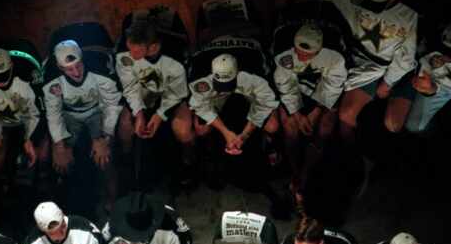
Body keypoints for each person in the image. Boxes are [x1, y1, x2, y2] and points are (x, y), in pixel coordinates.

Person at [287, 0, 417, 143]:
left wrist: (388, 82)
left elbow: (406, 58)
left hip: (375, 67)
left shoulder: (408, 16)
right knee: (322, 107)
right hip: (347, 56)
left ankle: (360, 152)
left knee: (347, 116)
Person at [273, 23, 348, 199]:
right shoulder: (283, 54)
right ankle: (295, 171)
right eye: (299, 52)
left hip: (322, 92)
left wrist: (316, 112)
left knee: (325, 127)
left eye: (308, 54)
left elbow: (333, 85)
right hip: (296, 91)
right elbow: (285, 85)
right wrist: (297, 114)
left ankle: (307, 172)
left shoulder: (335, 56)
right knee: (290, 126)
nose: (302, 56)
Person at [115, 17, 194, 184]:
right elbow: (129, 86)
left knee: (183, 130)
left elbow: (177, 93)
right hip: (143, 90)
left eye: (137, 52)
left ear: (153, 47)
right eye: (129, 48)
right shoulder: (124, 51)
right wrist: (139, 113)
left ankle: (188, 161)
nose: (132, 55)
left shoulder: (175, 59)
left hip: (171, 94)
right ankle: (127, 162)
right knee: (125, 125)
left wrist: (159, 115)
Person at [43, 40, 122, 175]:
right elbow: (53, 113)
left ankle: (110, 188)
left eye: (78, 65)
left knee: (105, 156)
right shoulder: (51, 80)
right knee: (61, 161)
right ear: (60, 68)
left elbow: (112, 104)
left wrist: (106, 138)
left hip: (97, 111)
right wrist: (60, 146)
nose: (76, 73)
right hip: (69, 115)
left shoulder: (100, 70)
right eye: (69, 69)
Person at [189, 52, 280, 161]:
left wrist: (244, 135)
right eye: (221, 84)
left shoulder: (255, 76)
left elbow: (265, 103)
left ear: (237, 72)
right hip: (214, 91)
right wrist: (225, 132)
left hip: (249, 85)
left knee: (272, 126)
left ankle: (269, 141)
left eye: (228, 84)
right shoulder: (201, 79)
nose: (226, 89)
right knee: (201, 129)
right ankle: (208, 147)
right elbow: (201, 106)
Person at [0, 48, 43, 186]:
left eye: (3, 75)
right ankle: (1, 187)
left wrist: (32, 139)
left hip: (28, 118)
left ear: (11, 65)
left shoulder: (28, 75)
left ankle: (33, 188)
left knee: (38, 155)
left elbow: (41, 112)